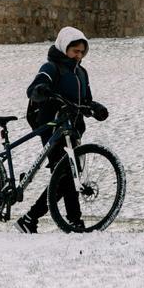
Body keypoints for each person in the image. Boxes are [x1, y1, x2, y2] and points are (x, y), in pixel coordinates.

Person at [15, 26, 108, 233]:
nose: (79, 55)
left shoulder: (81, 73)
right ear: (64, 48)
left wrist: (96, 108)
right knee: (65, 174)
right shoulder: (51, 67)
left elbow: (86, 100)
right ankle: (60, 220)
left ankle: (37, 219)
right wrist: (41, 90)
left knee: (69, 174)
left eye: (82, 52)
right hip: (52, 127)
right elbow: (34, 88)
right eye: (75, 51)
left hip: (72, 130)